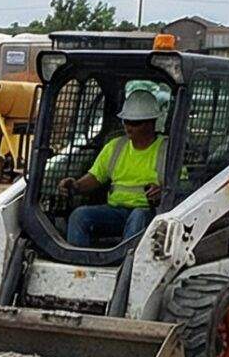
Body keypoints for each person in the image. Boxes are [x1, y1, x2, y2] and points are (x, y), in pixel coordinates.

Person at [61, 90, 167, 246]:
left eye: (135, 123)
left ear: (151, 122)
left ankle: (126, 266)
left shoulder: (167, 150)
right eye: (126, 121)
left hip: (150, 214)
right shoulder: (115, 147)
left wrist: (163, 192)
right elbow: (95, 177)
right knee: (79, 216)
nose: (128, 127)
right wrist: (76, 186)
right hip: (115, 212)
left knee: (138, 217)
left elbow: (181, 187)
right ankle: (79, 266)